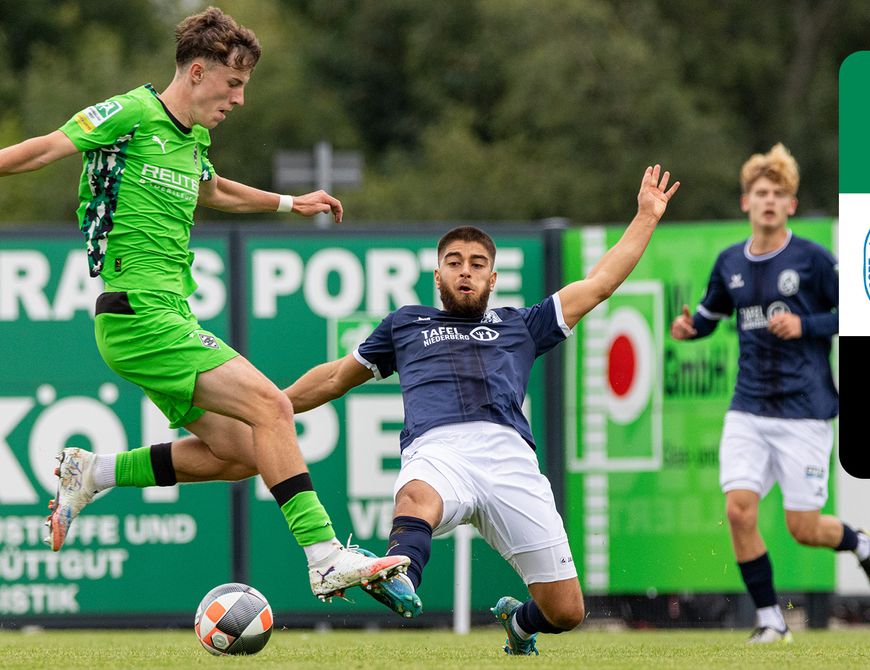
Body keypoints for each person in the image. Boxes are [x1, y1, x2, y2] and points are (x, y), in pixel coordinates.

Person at [0, 6, 408, 601]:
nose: (239, 99)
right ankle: (324, 558)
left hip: (165, 316)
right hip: (138, 313)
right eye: (234, 84)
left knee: (243, 453)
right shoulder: (132, 113)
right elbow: (43, 149)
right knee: (272, 406)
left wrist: (292, 204)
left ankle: (93, 473)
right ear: (196, 72)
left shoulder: (193, 139)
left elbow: (213, 190)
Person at [284, 165, 680, 653]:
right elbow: (333, 377)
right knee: (414, 499)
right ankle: (399, 574)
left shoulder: (521, 325)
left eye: (475, 263)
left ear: (492, 277)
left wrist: (645, 215)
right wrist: (273, 408)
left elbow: (598, 284)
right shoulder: (405, 324)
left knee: (566, 611)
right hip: (438, 448)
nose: (464, 270)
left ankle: (519, 624)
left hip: (509, 458)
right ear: (438, 274)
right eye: (454, 261)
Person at [670, 143, 869, 644]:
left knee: (804, 527)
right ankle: (770, 619)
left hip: (805, 411)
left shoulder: (812, 259)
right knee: (739, 508)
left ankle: (859, 541)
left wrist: (806, 325)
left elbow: (856, 313)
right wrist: (688, 330)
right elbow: (709, 318)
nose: (769, 201)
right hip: (748, 408)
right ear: (746, 203)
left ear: (791, 206)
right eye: (761, 192)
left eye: (779, 194)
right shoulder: (729, 261)